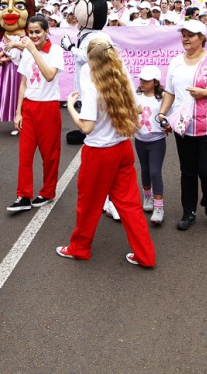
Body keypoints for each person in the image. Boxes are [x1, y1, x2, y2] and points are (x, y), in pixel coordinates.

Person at [56, 38, 155, 268]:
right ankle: (145, 255)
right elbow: (138, 108)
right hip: (122, 148)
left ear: (92, 60)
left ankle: (80, 248)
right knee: (130, 205)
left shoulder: (92, 86)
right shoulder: (123, 77)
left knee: (88, 204)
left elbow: (87, 127)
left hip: (99, 152)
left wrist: (71, 106)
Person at [158, 20, 207, 232]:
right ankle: (188, 211)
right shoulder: (175, 62)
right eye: (183, 34)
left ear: (202, 38)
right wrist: (163, 112)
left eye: (190, 35)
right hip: (184, 128)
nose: (185, 38)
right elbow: (170, 92)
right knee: (188, 172)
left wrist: (205, 93)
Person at [7, 16, 64, 212]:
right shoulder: (27, 54)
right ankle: (23, 195)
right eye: (30, 32)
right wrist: (18, 112)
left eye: (37, 32)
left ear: (47, 31)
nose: (33, 36)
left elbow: (49, 75)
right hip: (29, 108)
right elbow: (23, 83)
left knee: (49, 155)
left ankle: (48, 192)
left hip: (48, 108)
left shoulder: (55, 51)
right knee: (25, 154)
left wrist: (32, 49)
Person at [0, 0, 36, 135]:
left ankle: (25, 121)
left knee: (21, 95)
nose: (10, 10)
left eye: (19, 5)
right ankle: (15, 122)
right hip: (6, 72)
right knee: (10, 96)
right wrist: (1, 60)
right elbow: (3, 54)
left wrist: (17, 45)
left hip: (21, 72)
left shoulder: (31, 36)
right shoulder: (0, 36)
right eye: (3, 6)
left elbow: (33, 53)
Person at [135, 65, 167, 224]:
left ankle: (159, 206)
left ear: (155, 82)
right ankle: (147, 197)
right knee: (145, 170)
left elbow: (170, 115)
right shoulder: (136, 95)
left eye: (146, 81)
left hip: (157, 140)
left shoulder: (162, 98)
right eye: (141, 79)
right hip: (140, 140)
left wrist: (169, 124)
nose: (142, 83)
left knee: (155, 171)